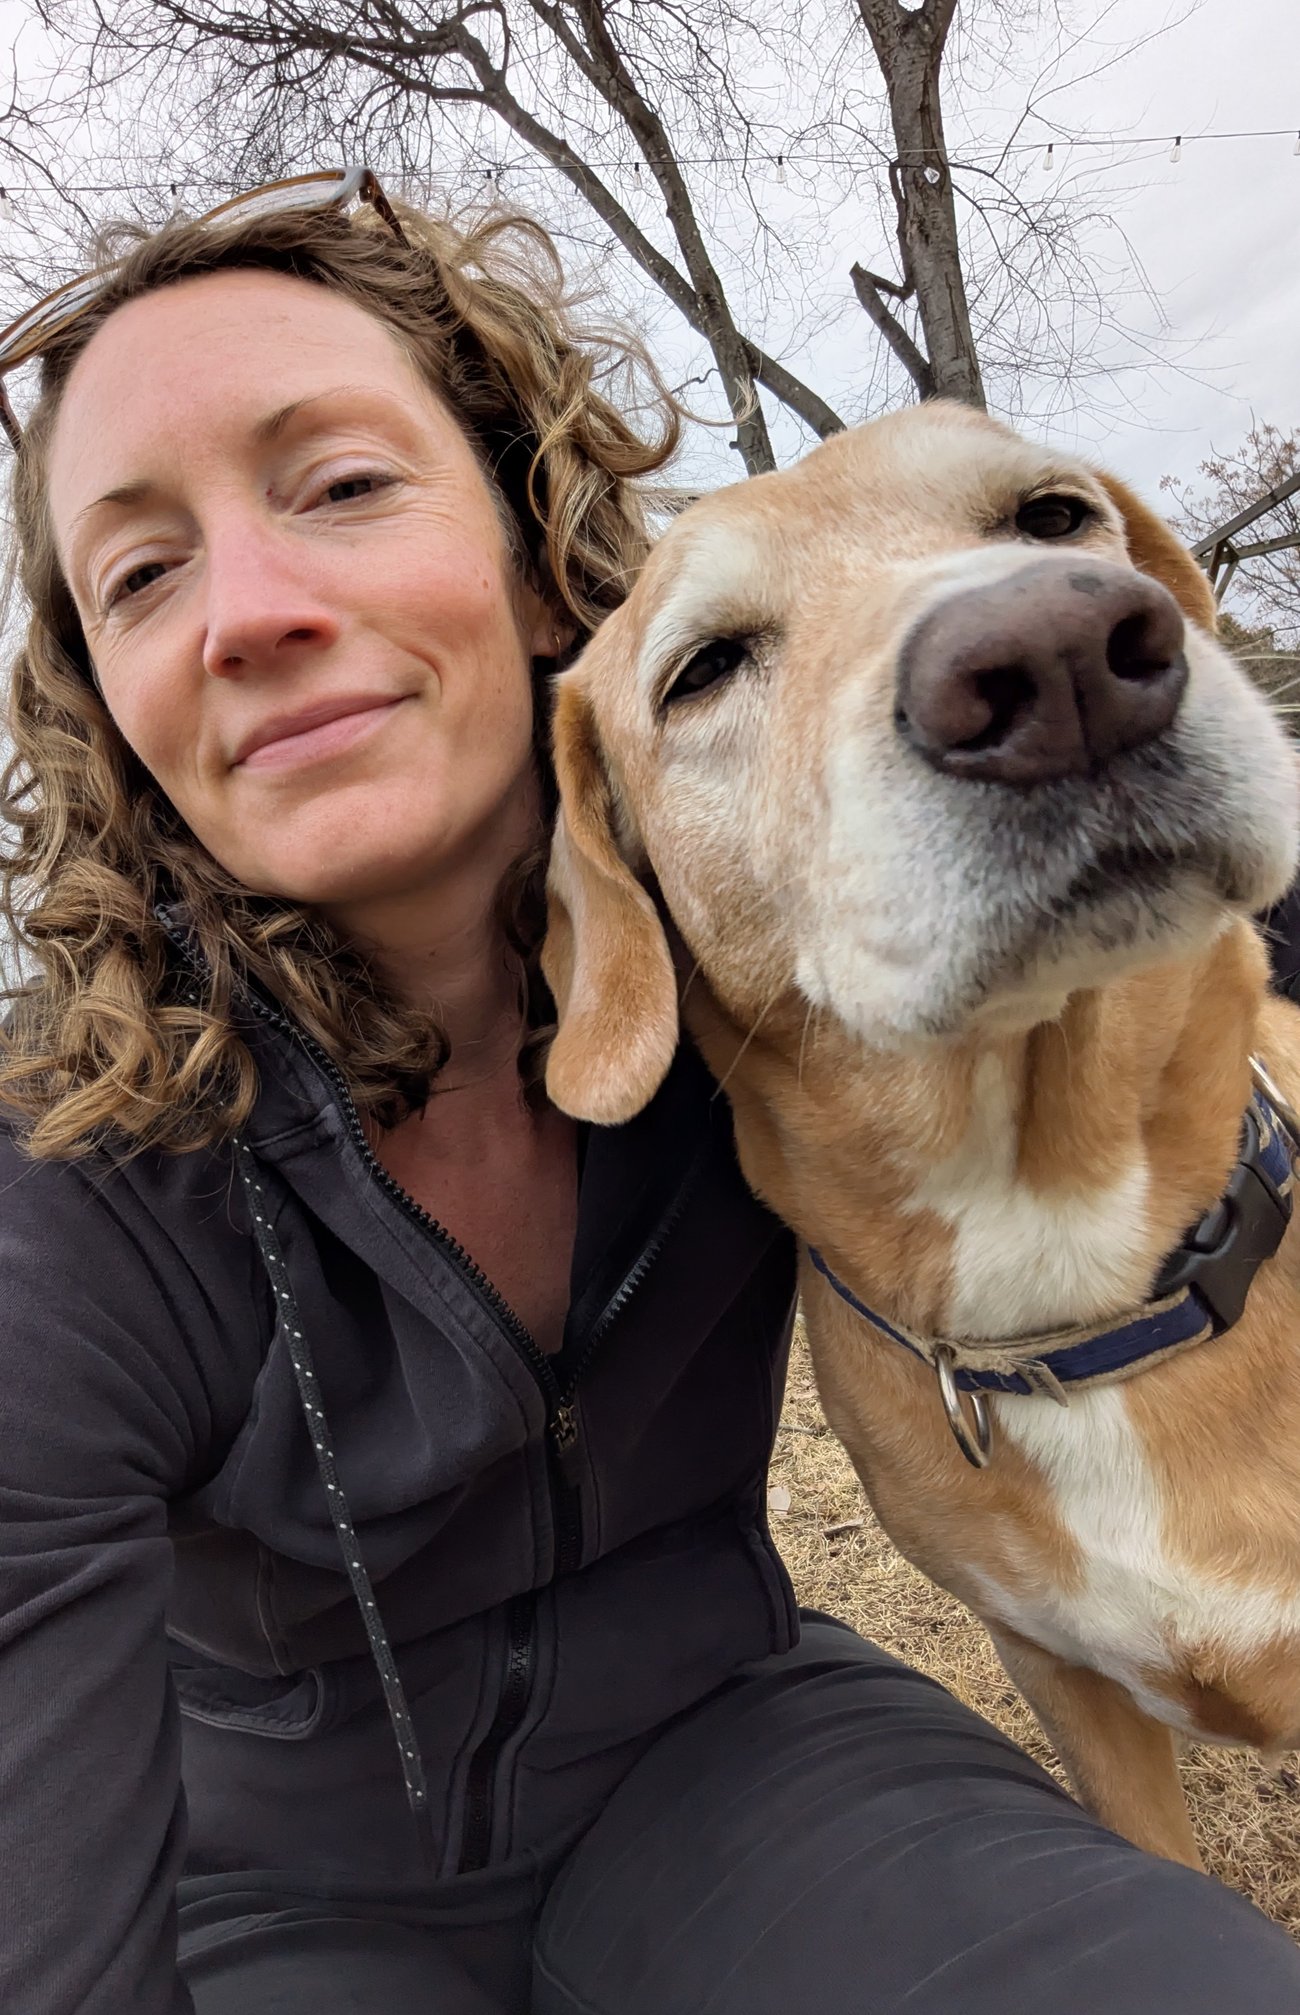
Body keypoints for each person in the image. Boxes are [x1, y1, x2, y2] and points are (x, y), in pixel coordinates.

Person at [1, 167, 1297, 2015]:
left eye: (343, 485)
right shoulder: (63, 1209)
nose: (251, 612)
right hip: (267, 1896)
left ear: (537, 564)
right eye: (141, 574)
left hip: (745, 1754)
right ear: (109, 703)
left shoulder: (784, 1001)